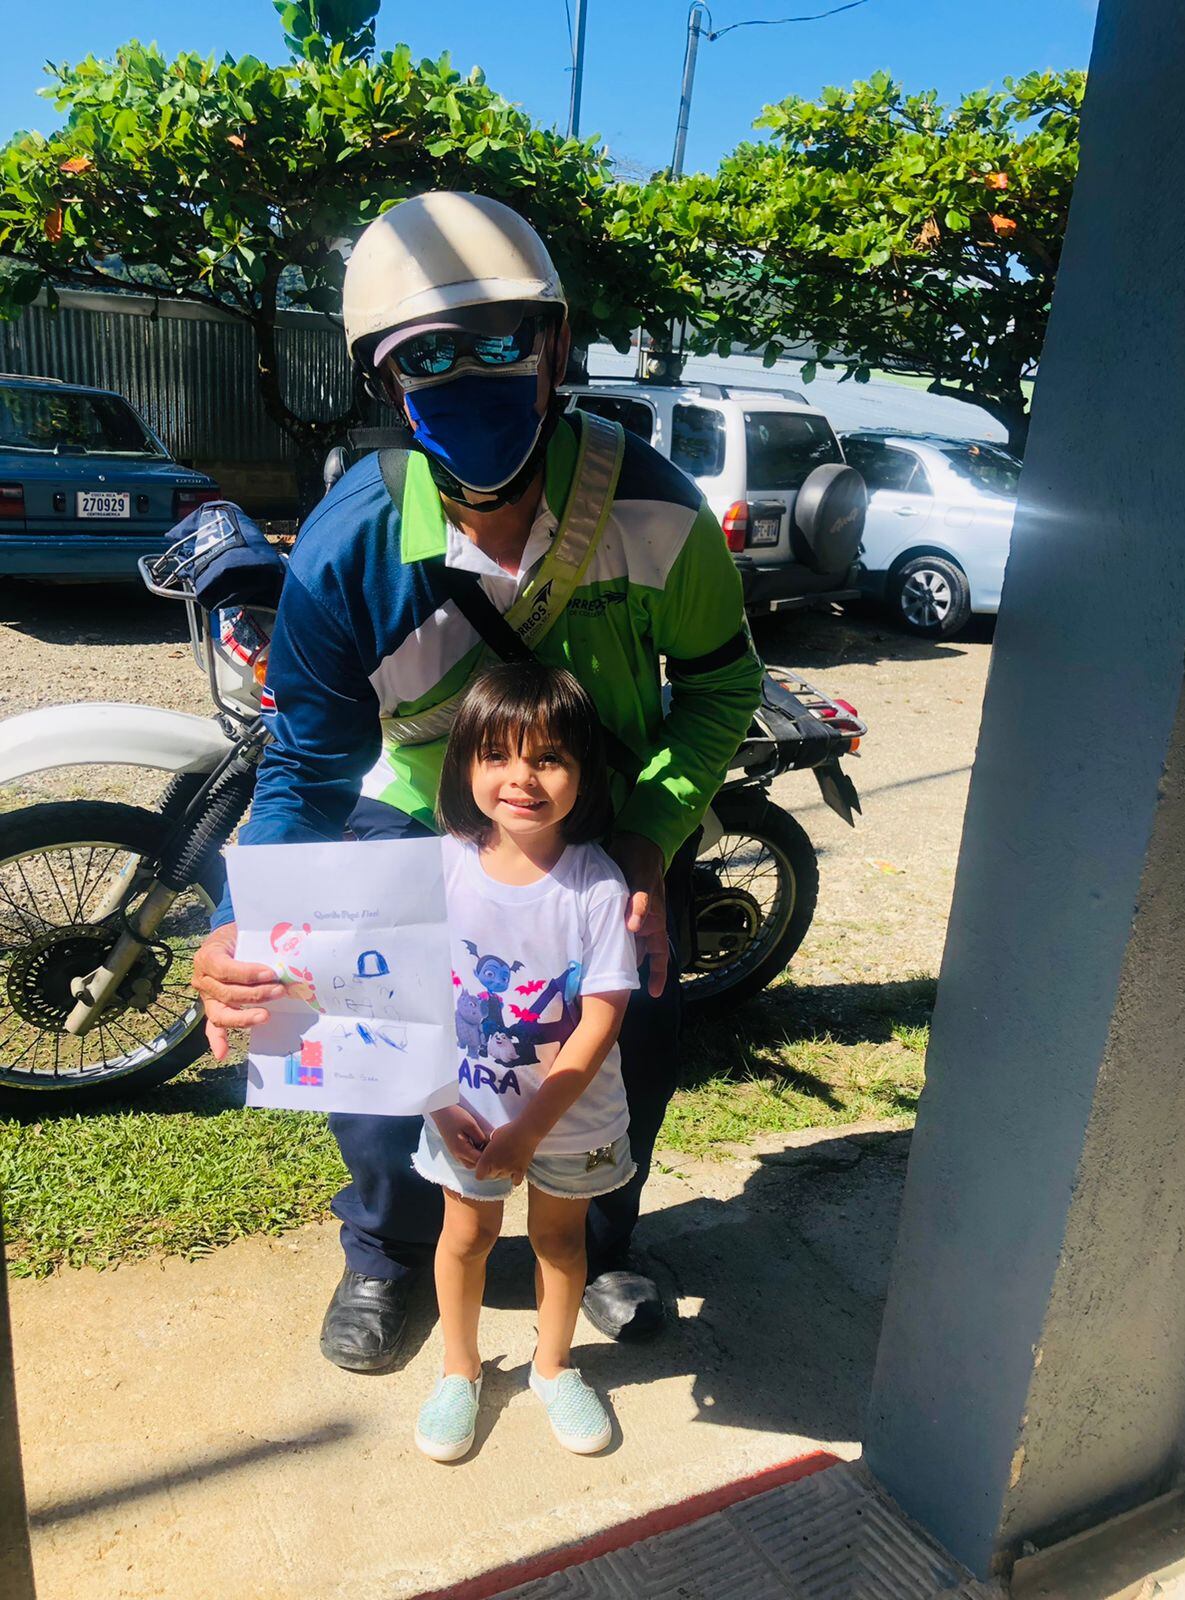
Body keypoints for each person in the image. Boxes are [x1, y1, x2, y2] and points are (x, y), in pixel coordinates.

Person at [191, 190, 763, 1375]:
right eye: (428, 355)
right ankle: (389, 1256)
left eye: (505, 340)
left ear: (556, 346)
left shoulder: (654, 509)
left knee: (618, 1041)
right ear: (384, 383)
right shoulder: (352, 544)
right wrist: (238, 922)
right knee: (383, 1051)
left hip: (601, 825)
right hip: (417, 821)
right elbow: (305, 759)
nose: (472, 374)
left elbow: (719, 687)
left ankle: (601, 1241)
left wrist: (651, 835)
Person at [415, 659, 639, 1462]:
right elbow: (407, 998)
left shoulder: (596, 888)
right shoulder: (438, 865)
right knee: (465, 1238)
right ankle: (458, 1370)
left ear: (583, 772)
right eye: (497, 755)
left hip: (568, 1122)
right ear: (464, 765)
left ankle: (553, 1366)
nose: (522, 778)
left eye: (548, 758)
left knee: (561, 1242)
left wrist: (530, 1133)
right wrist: (443, 1107)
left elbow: (600, 1022)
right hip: (467, 1113)